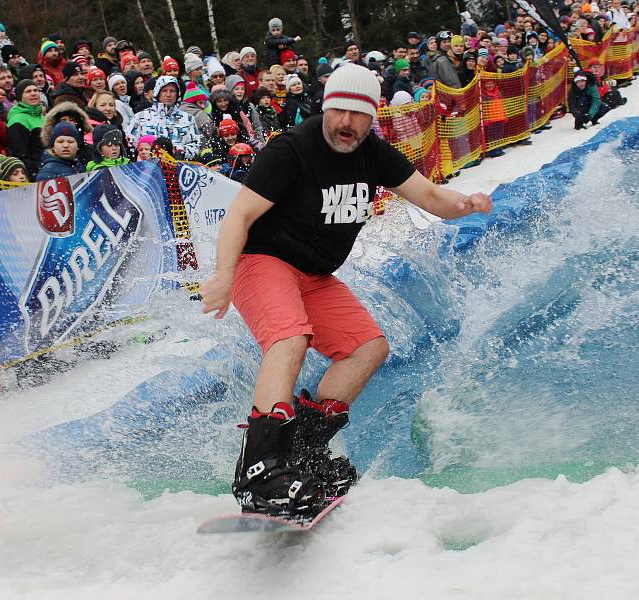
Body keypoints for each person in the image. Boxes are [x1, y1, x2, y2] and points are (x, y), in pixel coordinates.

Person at [199, 64, 492, 516]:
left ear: (373, 116)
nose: (347, 124)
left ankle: (302, 451)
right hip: (261, 262)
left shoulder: (373, 153)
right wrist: (221, 276)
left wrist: (466, 204)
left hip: (314, 275)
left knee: (368, 347)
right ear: (326, 106)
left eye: (359, 115)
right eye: (339, 111)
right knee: (289, 336)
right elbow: (237, 216)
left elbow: (432, 198)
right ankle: (260, 470)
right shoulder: (292, 150)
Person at [125, 76, 201, 159]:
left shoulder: (188, 119)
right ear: (158, 93)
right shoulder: (140, 117)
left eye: (172, 91)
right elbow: (130, 144)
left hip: (178, 166)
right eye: (164, 91)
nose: (168, 95)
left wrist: (179, 151)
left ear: (177, 94)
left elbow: (196, 146)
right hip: (148, 167)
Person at [7, 80, 45, 180]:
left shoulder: (42, 117)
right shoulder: (17, 120)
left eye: (35, 90)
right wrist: (32, 173)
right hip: (36, 173)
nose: (33, 94)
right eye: (28, 91)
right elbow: (20, 153)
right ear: (20, 97)